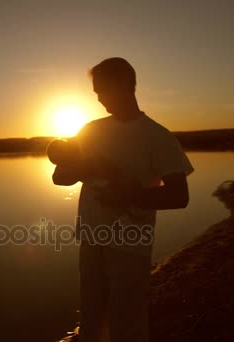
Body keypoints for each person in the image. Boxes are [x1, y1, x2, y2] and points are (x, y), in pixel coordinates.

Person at [52, 57, 194, 342]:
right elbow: (59, 177)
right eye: (96, 93)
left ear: (124, 85)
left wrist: (128, 195)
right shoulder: (90, 130)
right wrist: (84, 167)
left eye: (102, 90)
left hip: (130, 243)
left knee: (127, 322)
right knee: (91, 316)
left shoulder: (157, 136)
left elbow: (180, 196)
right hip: (91, 238)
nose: (100, 98)